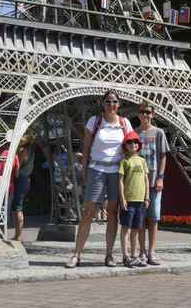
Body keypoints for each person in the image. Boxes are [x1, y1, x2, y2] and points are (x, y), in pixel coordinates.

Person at [66, 91, 133, 269]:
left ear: (119, 104)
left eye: (115, 102)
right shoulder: (94, 121)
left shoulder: (125, 123)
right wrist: (85, 172)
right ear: (103, 103)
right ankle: (76, 254)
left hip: (116, 172)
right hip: (96, 169)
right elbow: (86, 148)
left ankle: (109, 255)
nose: (112, 104)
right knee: (88, 212)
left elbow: (132, 149)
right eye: (108, 101)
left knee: (112, 214)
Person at [135, 100, 168, 265]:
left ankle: (151, 251)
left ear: (153, 114)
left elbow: (163, 156)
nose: (145, 115)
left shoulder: (159, 132)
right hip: (138, 182)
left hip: (154, 181)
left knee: (153, 217)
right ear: (138, 114)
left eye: (148, 112)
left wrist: (161, 177)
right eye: (142, 112)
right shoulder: (134, 133)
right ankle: (141, 251)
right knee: (141, 217)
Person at [118, 131, 149, 267]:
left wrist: (147, 197)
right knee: (126, 228)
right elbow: (120, 181)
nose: (133, 144)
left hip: (140, 201)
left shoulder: (142, 160)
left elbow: (146, 180)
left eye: (135, 142)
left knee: (136, 229)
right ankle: (125, 256)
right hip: (129, 200)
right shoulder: (124, 161)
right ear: (126, 145)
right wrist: (122, 199)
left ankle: (134, 255)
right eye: (130, 142)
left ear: (139, 145)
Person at [10, 136, 35, 241]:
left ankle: (18, 235)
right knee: (18, 206)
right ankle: (17, 234)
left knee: (17, 207)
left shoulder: (23, 150)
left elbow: (17, 166)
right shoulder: (32, 151)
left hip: (20, 179)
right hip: (26, 179)